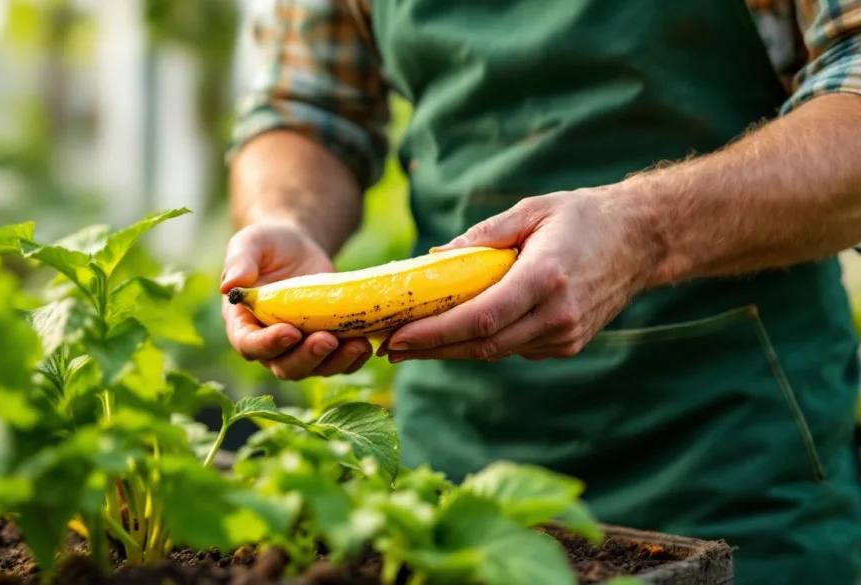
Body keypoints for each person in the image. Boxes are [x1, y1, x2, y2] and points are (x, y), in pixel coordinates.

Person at [218, 1, 861, 583]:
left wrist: (644, 232)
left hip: (736, 458)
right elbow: (307, 108)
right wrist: (286, 219)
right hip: (456, 470)